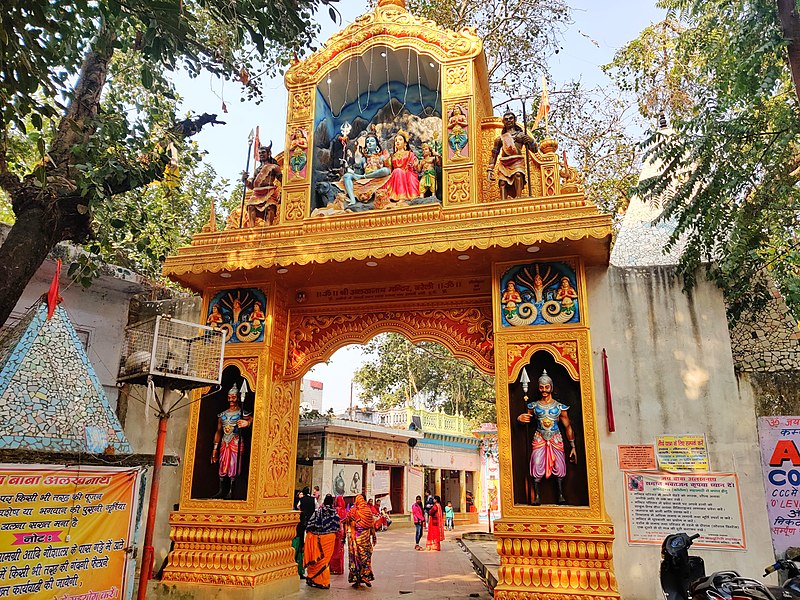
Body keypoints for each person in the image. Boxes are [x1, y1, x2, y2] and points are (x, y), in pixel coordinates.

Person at [517, 369, 577, 505]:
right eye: (541, 387)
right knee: (536, 463)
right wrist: (521, 418)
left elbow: (568, 427)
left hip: (555, 437)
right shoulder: (534, 406)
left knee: (559, 465)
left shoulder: (559, 407)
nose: (544, 390)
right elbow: (526, 417)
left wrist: (573, 446)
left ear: (551, 387)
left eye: (547, 387)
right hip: (539, 436)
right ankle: (537, 496)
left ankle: (561, 494)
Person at [211, 384, 252, 499]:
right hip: (225, 441)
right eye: (229, 397)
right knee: (223, 465)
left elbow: (252, 419)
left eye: (233, 397)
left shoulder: (242, 412)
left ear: (238, 398)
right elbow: (218, 431)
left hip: (235, 440)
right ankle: (221, 489)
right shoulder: (222, 415)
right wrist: (214, 449)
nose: (231, 400)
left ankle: (232, 490)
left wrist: (247, 423)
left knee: (234, 465)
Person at [487, 111, 538, 200]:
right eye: (506, 119)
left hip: (517, 160)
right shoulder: (500, 139)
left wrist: (529, 140)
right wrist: (490, 169)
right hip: (504, 162)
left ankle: (518, 197)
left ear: (514, 120)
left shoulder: (521, 135)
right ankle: (503, 200)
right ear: (503, 122)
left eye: (511, 118)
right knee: (502, 182)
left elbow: (534, 150)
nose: (509, 120)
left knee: (518, 175)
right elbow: (494, 155)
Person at [303, 494, 341, 589]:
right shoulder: (335, 513)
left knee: (318, 560)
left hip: (319, 538)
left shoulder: (318, 512)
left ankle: (313, 578)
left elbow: (310, 525)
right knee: (325, 561)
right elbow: (337, 526)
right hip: (330, 538)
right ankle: (324, 581)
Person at [343, 130, 390, 205]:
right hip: (364, 178)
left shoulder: (381, 157)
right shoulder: (363, 159)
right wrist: (357, 165)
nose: (369, 143)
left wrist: (363, 176)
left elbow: (388, 170)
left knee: (385, 170)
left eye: (372, 141)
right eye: (367, 142)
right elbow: (357, 174)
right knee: (346, 176)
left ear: (377, 144)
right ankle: (352, 199)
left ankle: (364, 176)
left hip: (375, 176)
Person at [243, 143, 282, 226]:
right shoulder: (257, 170)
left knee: (270, 208)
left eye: (263, 152)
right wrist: (245, 180)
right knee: (250, 206)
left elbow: (282, 180)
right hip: (257, 193)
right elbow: (252, 186)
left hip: (269, 192)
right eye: (260, 153)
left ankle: (268, 227)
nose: (261, 155)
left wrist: (282, 192)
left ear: (269, 154)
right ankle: (251, 228)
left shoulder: (274, 167)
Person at [343, 494, 377, 589]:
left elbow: (347, 522)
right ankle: (365, 575)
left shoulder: (353, 511)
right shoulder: (368, 511)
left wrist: (344, 535)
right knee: (365, 557)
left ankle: (357, 579)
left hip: (355, 539)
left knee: (355, 558)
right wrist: (374, 537)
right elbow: (372, 525)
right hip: (365, 539)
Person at [381, 130, 420, 201]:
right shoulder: (392, 156)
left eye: (400, 139)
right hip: (395, 176)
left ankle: (402, 196)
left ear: (405, 143)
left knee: (400, 172)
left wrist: (415, 164)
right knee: (397, 171)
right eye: (396, 140)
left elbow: (415, 167)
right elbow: (389, 169)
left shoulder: (409, 154)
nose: (397, 142)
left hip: (407, 174)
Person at [330, 495, 347, 575]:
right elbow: (345, 523)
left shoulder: (334, 509)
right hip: (341, 532)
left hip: (334, 532)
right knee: (340, 551)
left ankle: (332, 568)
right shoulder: (344, 511)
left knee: (333, 550)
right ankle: (339, 569)